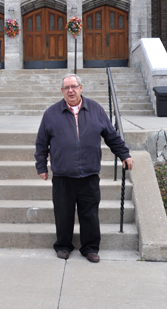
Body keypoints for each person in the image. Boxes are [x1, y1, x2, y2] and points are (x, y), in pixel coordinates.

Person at [35, 73, 134, 263]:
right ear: (62, 91)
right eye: (67, 88)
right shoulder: (51, 113)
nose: (70, 90)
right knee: (63, 213)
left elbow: (111, 136)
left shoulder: (96, 109)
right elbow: (42, 143)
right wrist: (41, 166)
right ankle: (63, 245)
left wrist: (124, 154)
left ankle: (90, 248)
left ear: (81, 88)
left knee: (89, 213)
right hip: (63, 175)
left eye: (74, 86)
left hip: (89, 173)